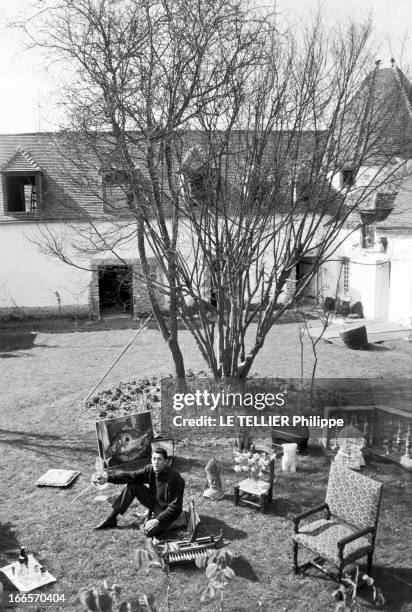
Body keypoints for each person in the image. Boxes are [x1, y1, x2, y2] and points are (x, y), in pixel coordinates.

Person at [93, 447, 185, 537]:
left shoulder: (175, 478)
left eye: (159, 459)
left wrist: (158, 519)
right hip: (154, 503)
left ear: (165, 461)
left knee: (148, 531)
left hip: (166, 511)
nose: (156, 462)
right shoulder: (150, 470)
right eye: (154, 459)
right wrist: (108, 478)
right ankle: (112, 518)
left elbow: (175, 507)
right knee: (133, 485)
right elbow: (130, 476)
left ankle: (167, 522)